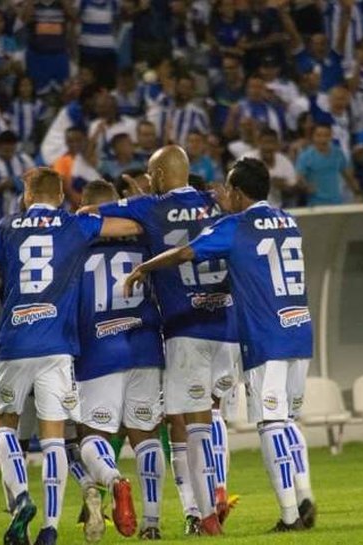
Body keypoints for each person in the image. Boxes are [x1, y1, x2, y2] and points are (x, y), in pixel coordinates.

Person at [123, 157, 317, 533]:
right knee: (290, 421)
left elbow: (185, 253)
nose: (223, 195)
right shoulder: (288, 221)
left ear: (240, 193)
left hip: (268, 335)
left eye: (228, 189)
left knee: (272, 424)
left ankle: (291, 516)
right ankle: (305, 492)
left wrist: (143, 268)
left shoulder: (236, 226)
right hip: (300, 327)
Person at [0, 166, 144, 545]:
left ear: (27, 196)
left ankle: (22, 499)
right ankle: (50, 529)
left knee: (5, 427)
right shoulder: (74, 226)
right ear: (60, 197)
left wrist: (11, 279)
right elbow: (131, 227)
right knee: (54, 440)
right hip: (59, 349)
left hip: (16, 344)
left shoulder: (6, 228)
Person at [85, 145, 241, 536]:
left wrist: (128, 201)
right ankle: (216, 491)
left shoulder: (148, 207)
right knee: (211, 410)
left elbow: (91, 217)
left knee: (187, 422)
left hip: (184, 329)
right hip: (228, 326)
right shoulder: (216, 199)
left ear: (156, 175)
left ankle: (204, 513)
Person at [74, 180, 166, 540]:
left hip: (98, 351)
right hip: (144, 345)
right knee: (146, 438)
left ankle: (115, 482)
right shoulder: (145, 242)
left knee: (91, 437)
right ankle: (152, 523)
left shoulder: (75, 247)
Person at [297, 123, 359, 205]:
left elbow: (348, 176)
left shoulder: (338, 154)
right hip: (315, 204)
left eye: (326, 135)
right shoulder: (305, 156)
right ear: (313, 137)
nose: (323, 139)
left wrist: (358, 194)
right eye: (318, 136)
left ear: (331, 136)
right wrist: (306, 186)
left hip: (336, 202)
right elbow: (299, 178)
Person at [243, 128, 300, 208]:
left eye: (271, 142)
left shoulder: (284, 161)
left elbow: (293, 188)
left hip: (276, 209)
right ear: (258, 143)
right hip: (250, 209)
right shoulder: (247, 159)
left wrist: (283, 187)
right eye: (265, 142)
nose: (268, 146)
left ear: (277, 144)